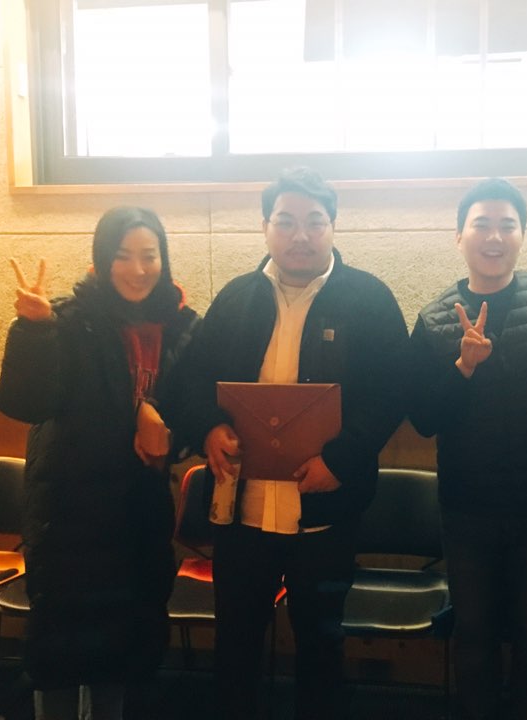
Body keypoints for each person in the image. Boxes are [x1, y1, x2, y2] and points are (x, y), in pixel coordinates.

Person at [168, 167, 408, 720]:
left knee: (321, 641)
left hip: (325, 508)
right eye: (286, 221)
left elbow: (393, 391)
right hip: (241, 511)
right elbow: (189, 383)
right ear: (265, 227)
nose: (301, 235)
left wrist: (341, 461)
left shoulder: (369, 298)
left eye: (314, 222)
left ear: (333, 226)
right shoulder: (236, 298)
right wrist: (208, 428)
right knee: (236, 641)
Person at [0, 207, 199, 719]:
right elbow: (26, 402)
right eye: (122, 256)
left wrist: (162, 420)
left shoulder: (182, 326)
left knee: (122, 651)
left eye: (149, 256)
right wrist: (33, 330)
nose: (137, 269)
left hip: (138, 516)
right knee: (59, 652)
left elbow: (193, 411)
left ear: (164, 259)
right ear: (102, 259)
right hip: (70, 515)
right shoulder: (69, 320)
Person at [407, 178, 527, 719]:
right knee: (474, 635)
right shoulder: (435, 318)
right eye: (481, 224)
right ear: (459, 235)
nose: (494, 236)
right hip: (467, 510)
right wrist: (463, 367)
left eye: (508, 225)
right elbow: (424, 419)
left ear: (523, 235)